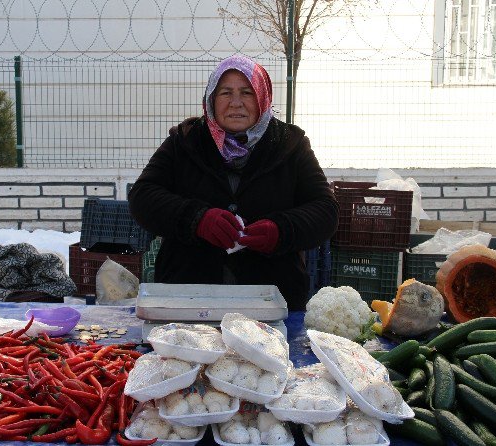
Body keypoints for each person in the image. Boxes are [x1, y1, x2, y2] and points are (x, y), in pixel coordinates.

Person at [128, 55, 339, 311]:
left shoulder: (290, 144)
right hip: (189, 297)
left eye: (247, 93)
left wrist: (281, 230)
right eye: (225, 93)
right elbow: (143, 197)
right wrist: (197, 220)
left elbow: (325, 210)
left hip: (271, 301)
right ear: (211, 100)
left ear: (262, 97)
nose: (235, 103)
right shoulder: (185, 141)